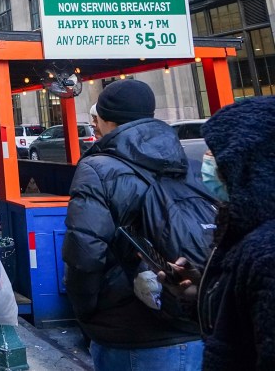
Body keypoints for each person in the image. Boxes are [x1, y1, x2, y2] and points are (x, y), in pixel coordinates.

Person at [62, 80, 203, 370]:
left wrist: (87, 313)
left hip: (128, 333)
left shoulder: (97, 168)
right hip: (192, 323)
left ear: (105, 119)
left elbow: (84, 255)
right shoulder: (187, 160)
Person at [162, 97, 275, 370]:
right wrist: (203, 290)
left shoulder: (265, 251)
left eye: (217, 155)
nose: (208, 163)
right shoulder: (245, 231)